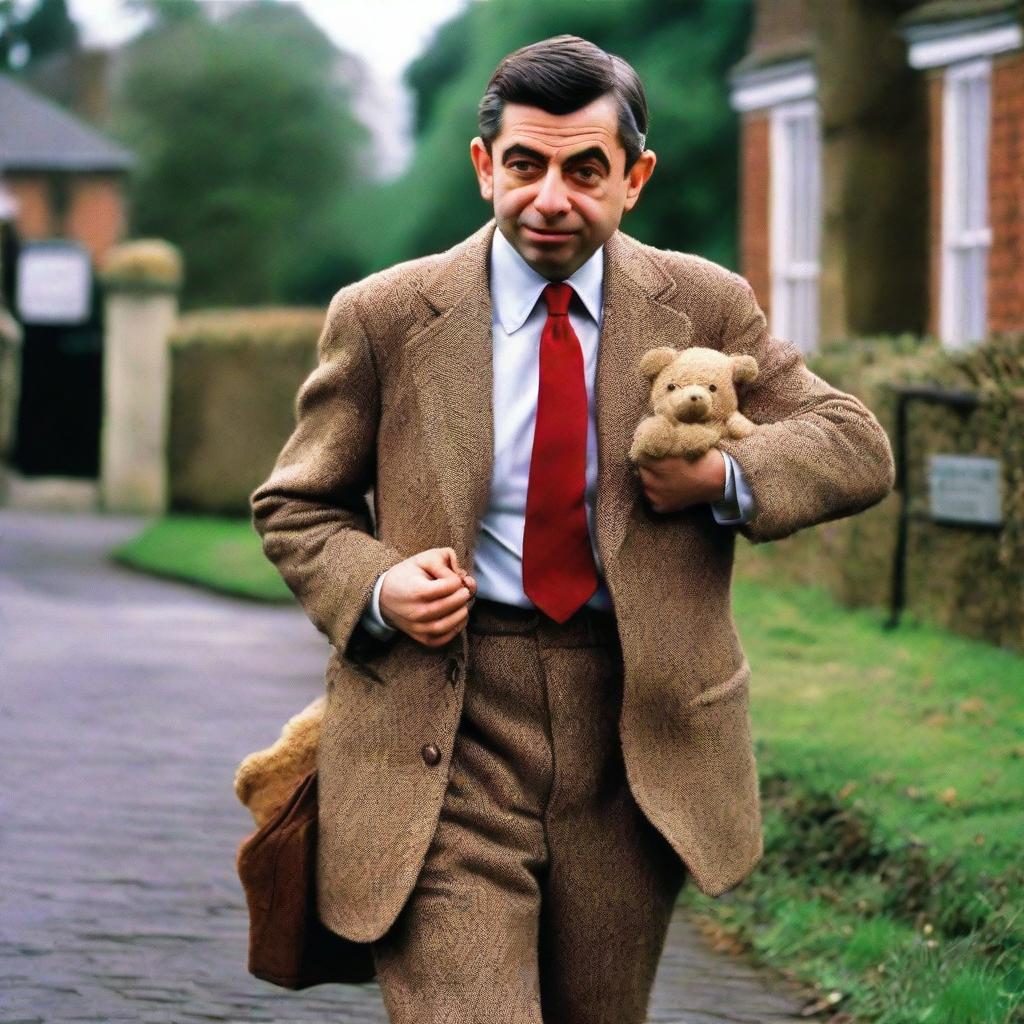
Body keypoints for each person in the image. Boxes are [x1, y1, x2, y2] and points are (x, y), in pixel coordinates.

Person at [250, 34, 895, 1024]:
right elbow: (296, 503)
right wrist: (377, 585)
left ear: (632, 178)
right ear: (484, 168)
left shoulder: (706, 306)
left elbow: (854, 446)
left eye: (584, 170)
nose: (550, 196)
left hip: (634, 732)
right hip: (445, 723)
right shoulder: (383, 317)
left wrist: (722, 475)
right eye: (525, 165)